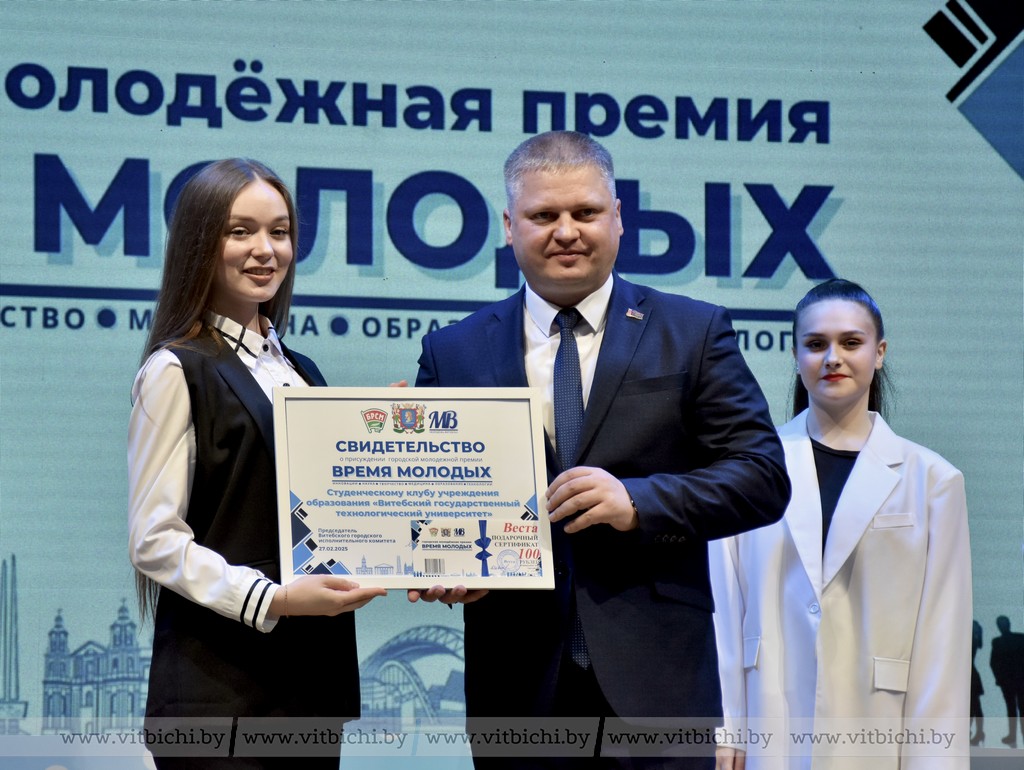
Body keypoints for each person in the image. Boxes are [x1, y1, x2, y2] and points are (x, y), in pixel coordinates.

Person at [409, 130, 791, 768]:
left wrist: (638, 502)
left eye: (585, 212)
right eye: (543, 215)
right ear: (509, 226)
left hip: (660, 687)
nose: (566, 232)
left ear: (617, 217)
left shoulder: (692, 331)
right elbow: (430, 508)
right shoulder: (454, 351)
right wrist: (440, 564)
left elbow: (762, 477)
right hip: (517, 689)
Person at [127, 158, 386, 769]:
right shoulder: (176, 368)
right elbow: (154, 541)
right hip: (219, 695)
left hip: (310, 689)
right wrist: (274, 600)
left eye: (280, 231)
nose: (265, 250)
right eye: (240, 231)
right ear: (199, 242)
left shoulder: (301, 371)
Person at [710, 278, 972, 770]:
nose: (833, 358)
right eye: (816, 344)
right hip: (770, 720)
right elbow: (723, 612)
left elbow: (943, 639)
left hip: (879, 728)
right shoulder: (745, 471)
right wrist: (727, 731)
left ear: (879, 353)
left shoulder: (933, 481)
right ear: (795, 355)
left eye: (851, 342)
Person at [990, 615, 1024, 747]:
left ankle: (1013, 736)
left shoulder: (998, 642)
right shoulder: (1020, 638)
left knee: (1012, 709)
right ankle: (1014, 735)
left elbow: (993, 663)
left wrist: (999, 678)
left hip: (1010, 681)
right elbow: (994, 663)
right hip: (1017, 680)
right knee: (1018, 708)